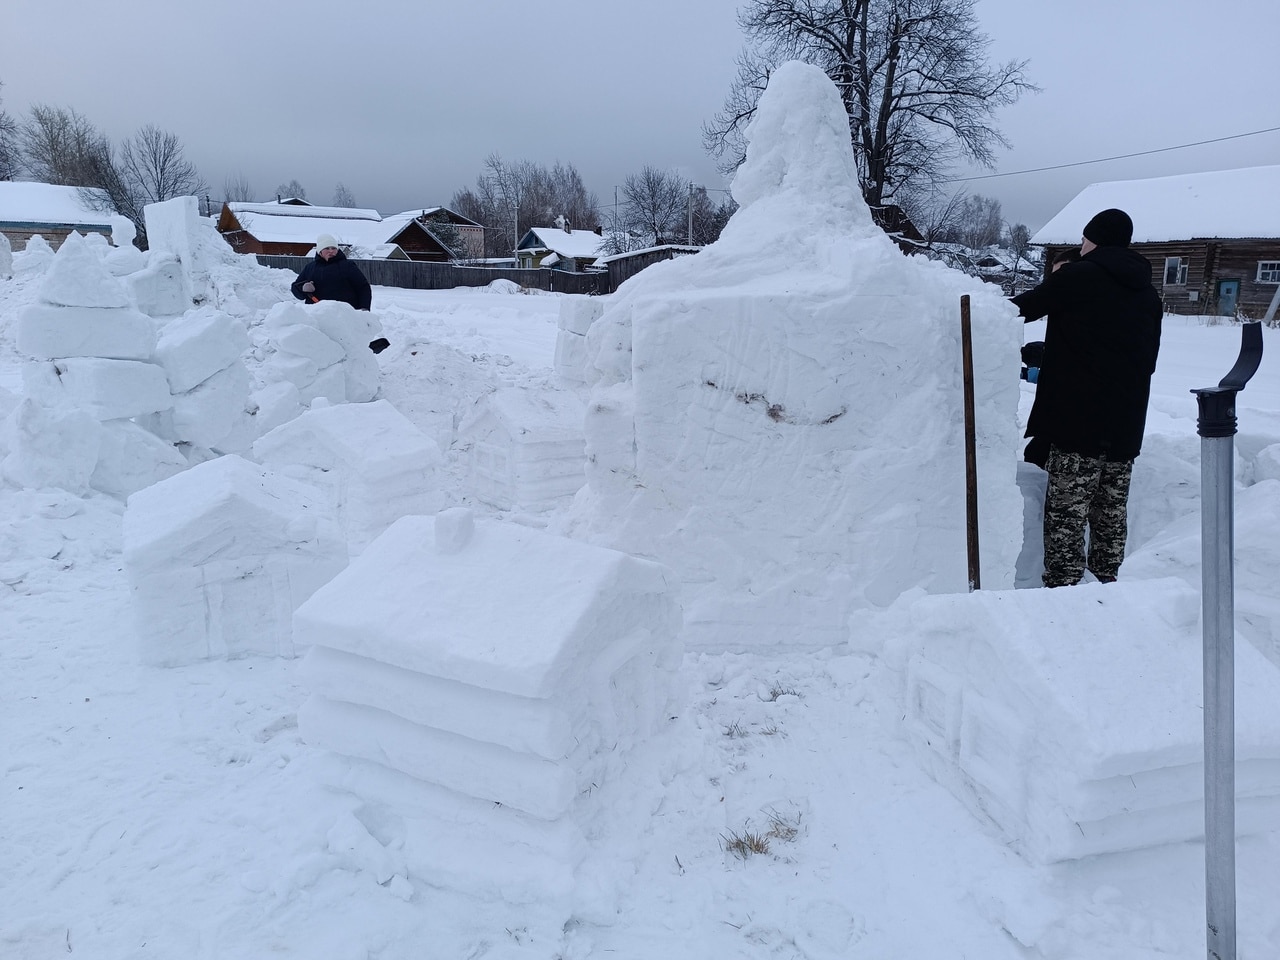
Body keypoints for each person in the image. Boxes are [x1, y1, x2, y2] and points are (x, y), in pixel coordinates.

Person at [1011, 208, 1162, 587]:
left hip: (1078, 422)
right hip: (1126, 424)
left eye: (1083, 238)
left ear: (1094, 238)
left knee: (1066, 514)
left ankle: (1063, 597)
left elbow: (1020, 309)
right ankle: (1107, 589)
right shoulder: (1146, 291)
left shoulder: (1080, 276)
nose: (1081, 246)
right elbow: (1143, 357)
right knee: (1110, 513)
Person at [1019, 247, 1080, 469]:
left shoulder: (1080, 302)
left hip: (1073, 418)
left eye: (1060, 273)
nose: (1056, 281)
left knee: (1039, 455)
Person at [291, 234, 389, 352]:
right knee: (324, 348)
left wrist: (364, 309)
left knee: (349, 346)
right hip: (319, 317)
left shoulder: (347, 266)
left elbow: (363, 288)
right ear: (319, 251)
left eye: (334, 248)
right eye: (327, 248)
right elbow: (296, 290)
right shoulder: (310, 268)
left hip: (346, 316)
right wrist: (303, 288)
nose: (331, 251)